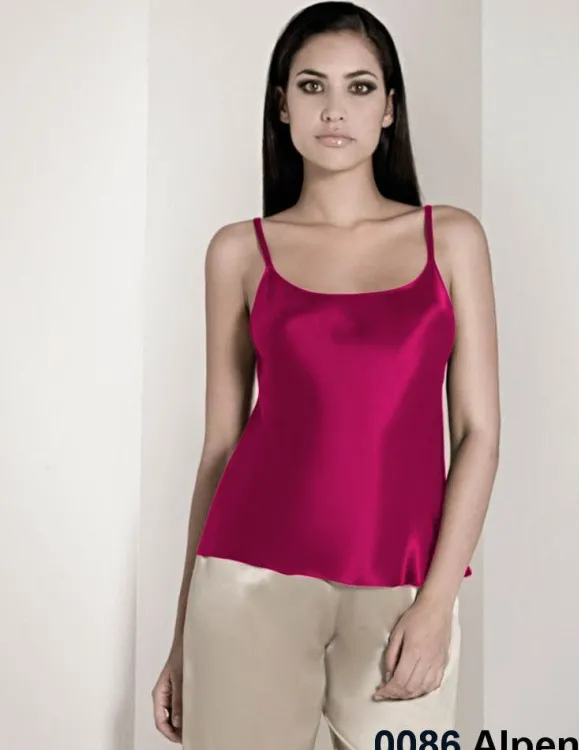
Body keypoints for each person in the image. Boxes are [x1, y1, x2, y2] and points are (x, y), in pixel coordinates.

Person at [151, 2, 500, 748]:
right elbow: (219, 448)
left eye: (359, 87)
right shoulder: (238, 252)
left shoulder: (452, 240)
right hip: (247, 587)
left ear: (389, 108)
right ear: (282, 105)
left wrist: (437, 602)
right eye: (311, 86)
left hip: (402, 593)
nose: (334, 109)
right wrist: (181, 638)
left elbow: (478, 434)